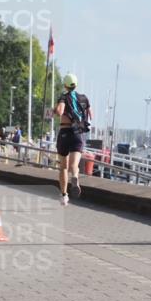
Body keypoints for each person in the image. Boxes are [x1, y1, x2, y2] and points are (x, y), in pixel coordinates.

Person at [54, 73, 91, 205]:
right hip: (78, 133)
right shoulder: (84, 98)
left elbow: (60, 111)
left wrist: (55, 109)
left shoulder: (64, 97)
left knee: (63, 167)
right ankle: (75, 177)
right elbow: (89, 114)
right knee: (74, 165)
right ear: (76, 84)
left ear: (65, 84)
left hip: (65, 132)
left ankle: (64, 195)